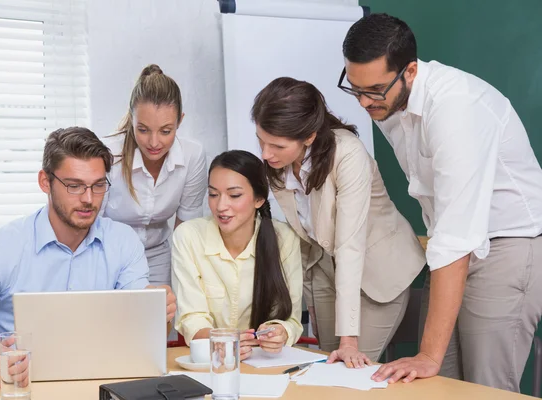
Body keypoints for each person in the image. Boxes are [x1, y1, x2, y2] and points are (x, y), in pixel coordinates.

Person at [340, 13, 542, 391]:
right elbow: (448, 235)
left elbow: (456, 233)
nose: (365, 102)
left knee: (486, 387)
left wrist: (429, 355)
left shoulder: (456, 108)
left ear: (411, 71)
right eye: (355, 88)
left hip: (507, 246)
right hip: (449, 250)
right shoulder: (387, 101)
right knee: (435, 385)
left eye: (375, 90)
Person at [0, 127, 177, 388]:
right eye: (74, 186)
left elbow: (143, 338)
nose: (89, 199)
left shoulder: (123, 243)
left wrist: (158, 314)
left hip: (98, 389)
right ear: (45, 182)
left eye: (98, 185)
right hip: (19, 392)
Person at [251, 77, 425, 367]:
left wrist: (348, 339)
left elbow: (349, 245)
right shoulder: (278, 165)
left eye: (277, 145)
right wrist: (313, 303)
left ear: (309, 136)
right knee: (325, 371)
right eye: (261, 140)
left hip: (378, 273)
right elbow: (306, 236)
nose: (265, 154)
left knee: (348, 374)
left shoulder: (348, 153)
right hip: (327, 271)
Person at [172, 150, 303, 360]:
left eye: (234, 195)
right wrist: (221, 343)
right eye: (213, 194)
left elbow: (291, 319)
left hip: (265, 362)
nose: (221, 206)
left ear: (259, 199)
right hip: (211, 361)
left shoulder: (284, 238)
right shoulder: (188, 236)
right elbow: (191, 318)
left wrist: (279, 331)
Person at [102, 64, 207, 286]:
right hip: (108, 253)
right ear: (131, 119)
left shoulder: (192, 156)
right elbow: (91, 223)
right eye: (143, 129)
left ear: (180, 121)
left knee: (160, 317)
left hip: (159, 255)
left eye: (166, 131)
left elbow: (186, 229)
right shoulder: (108, 155)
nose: (154, 142)